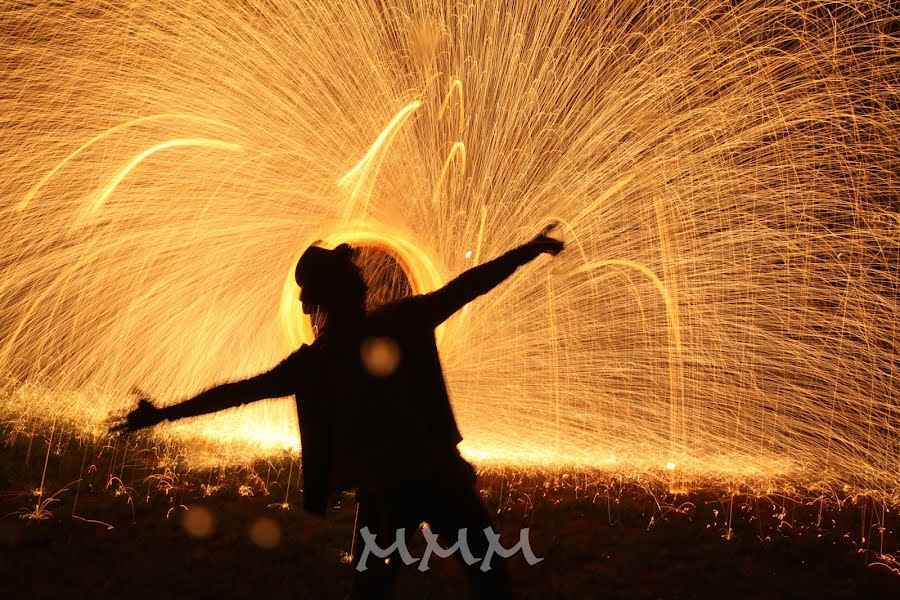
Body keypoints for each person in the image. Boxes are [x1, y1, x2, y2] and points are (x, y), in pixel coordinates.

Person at [111, 225, 564, 598]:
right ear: (338, 293)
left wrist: (164, 414)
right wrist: (524, 252)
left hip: (397, 490)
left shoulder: (325, 358)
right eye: (352, 275)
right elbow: (466, 287)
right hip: (426, 481)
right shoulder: (391, 326)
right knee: (482, 580)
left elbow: (238, 392)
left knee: (390, 588)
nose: (363, 277)